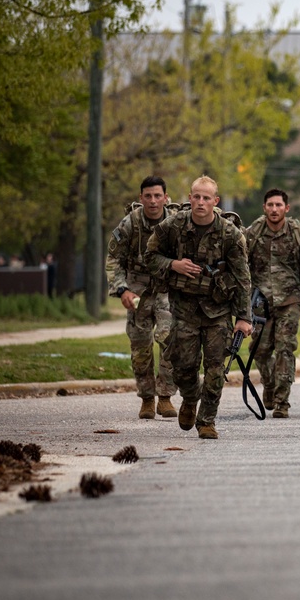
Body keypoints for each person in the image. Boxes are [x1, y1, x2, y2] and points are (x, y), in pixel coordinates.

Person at [145, 176, 252, 440]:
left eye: (207, 198)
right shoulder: (173, 226)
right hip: (184, 309)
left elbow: (242, 278)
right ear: (190, 198)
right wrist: (173, 264)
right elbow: (149, 257)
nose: (201, 202)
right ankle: (191, 399)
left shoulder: (230, 234)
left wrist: (243, 317)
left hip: (218, 312)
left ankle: (207, 420)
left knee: (216, 369)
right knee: (183, 366)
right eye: (197, 196)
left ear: (215, 201)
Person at [244, 188, 300, 418]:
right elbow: (240, 265)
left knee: (285, 349)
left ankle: (282, 401)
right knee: (259, 350)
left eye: (279, 205)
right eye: (270, 205)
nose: (274, 209)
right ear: (264, 208)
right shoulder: (254, 232)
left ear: (286, 208)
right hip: (260, 302)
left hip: (289, 300)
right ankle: (269, 385)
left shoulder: (298, 233)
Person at [105, 175, 178, 420]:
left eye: (158, 196)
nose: (153, 201)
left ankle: (165, 396)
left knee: (169, 338)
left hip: (167, 289)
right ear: (141, 198)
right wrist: (122, 289)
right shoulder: (130, 224)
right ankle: (147, 398)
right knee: (140, 346)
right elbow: (113, 259)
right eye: (148, 196)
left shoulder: (176, 223)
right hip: (137, 291)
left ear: (166, 198)